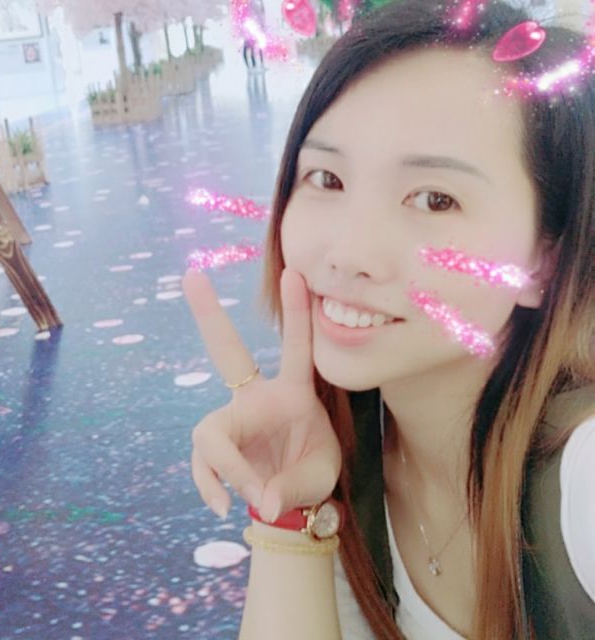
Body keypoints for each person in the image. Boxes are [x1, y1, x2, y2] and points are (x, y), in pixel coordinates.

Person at [183, 1, 595, 638]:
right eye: (327, 178)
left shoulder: (583, 477)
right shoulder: (342, 443)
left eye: (435, 199)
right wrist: (290, 511)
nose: (350, 254)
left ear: (545, 263)